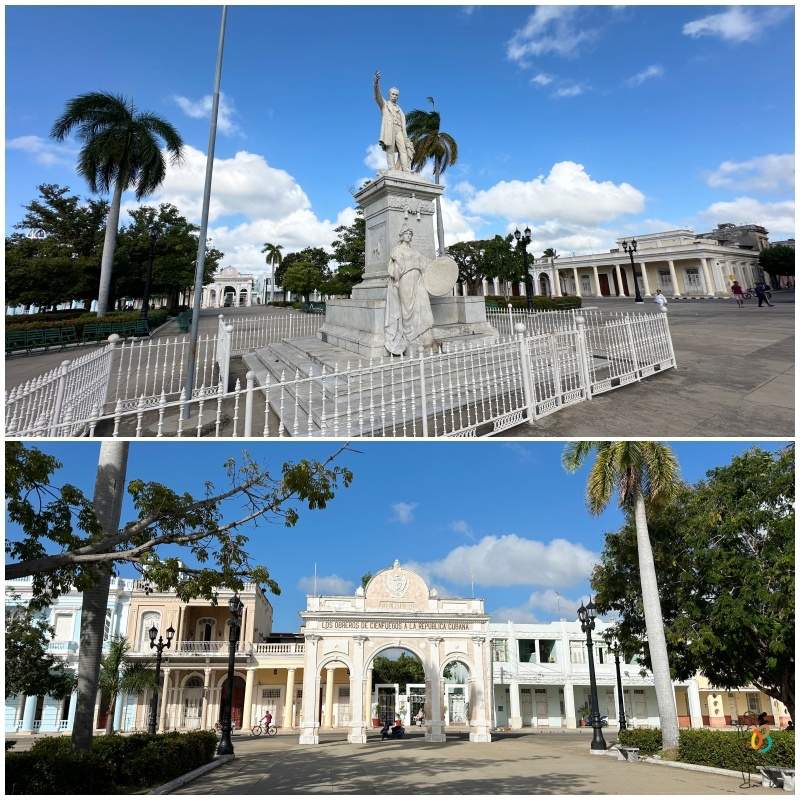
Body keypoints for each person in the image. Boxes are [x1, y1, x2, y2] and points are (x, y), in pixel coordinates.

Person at [384, 226, 435, 355]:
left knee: (422, 306)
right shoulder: (397, 250)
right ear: (401, 236)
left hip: (418, 281)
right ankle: (410, 337)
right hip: (405, 280)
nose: (408, 236)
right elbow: (396, 267)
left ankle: (421, 335)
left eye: (410, 234)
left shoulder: (414, 251)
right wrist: (396, 279)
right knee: (407, 309)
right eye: (406, 233)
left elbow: (426, 262)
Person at [374, 70, 414, 172]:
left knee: (403, 149)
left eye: (396, 95)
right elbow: (377, 96)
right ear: (389, 94)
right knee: (390, 149)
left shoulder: (400, 109)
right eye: (393, 94)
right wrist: (376, 83)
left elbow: (403, 122)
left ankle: (405, 169)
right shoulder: (384, 105)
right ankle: (391, 168)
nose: (394, 96)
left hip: (399, 129)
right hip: (389, 129)